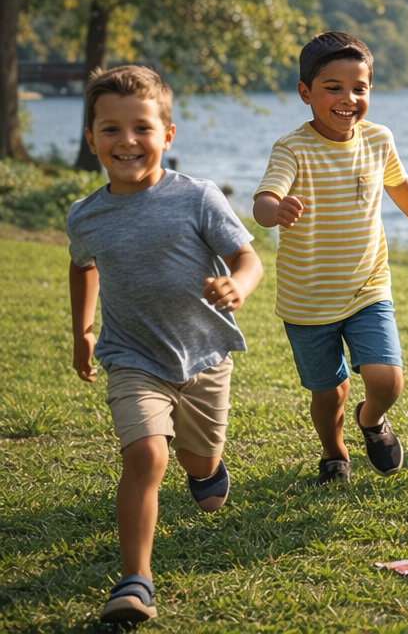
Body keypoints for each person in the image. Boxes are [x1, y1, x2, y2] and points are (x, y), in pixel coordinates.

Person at [67, 66, 264, 623]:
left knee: (199, 465)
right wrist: (83, 330)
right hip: (132, 358)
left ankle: (203, 470)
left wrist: (237, 285)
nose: (126, 141)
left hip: (203, 356)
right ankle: (135, 580)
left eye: (142, 128)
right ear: (91, 140)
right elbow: (82, 266)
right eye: (110, 130)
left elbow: (249, 258)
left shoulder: (197, 197)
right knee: (145, 456)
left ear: (167, 135)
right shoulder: (85, 215)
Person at [253, 32, 408, 485]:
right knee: (328, 392)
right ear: (306, 93)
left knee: (387, 380)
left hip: (367, 287)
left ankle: (372, 420)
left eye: (359, 88)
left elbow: (400, 184)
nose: (348, 98)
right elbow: (265, 198)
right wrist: (273, 210)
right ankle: (333, 452)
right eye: (333, 87)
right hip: (307, 300)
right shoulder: (292, 148)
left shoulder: (378, 139)